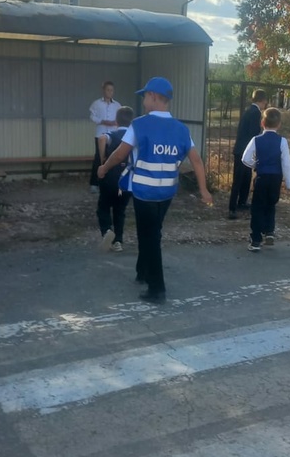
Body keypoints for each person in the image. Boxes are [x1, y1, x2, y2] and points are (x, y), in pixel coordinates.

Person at [98, 76, 212, 303]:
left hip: (144, 192)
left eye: (144, 97)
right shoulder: (181, 129)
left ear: (153, 96)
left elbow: (120, 154)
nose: (143, 102)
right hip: (167, 192)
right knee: (152, 231)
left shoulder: (139, 124)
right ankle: (142, 271)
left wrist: (104, 167)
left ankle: (157, 289)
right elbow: (197, 161)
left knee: (149, 236)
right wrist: (204, 190)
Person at [241, 106, 290, 252]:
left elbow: (245, 158)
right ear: (279, 124)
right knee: (271, 204)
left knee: (257, 207)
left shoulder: (256, 140)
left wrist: (256, 164)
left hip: (262, 177)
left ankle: (256, 240)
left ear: (262, 123)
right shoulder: (282, 141)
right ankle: (269, 231)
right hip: (276, 178)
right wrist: (289, 183)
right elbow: (286, 163)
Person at [96, 106, 134, 252]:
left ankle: (107, 230)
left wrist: (102, 160)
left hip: (110, 177)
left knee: (103, 207)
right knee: (120, 210)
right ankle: (118, 241)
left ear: (116, 121)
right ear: (131, 122)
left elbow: (102, 139)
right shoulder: (133, 137)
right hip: (127, 180)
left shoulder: (113, 134)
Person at [228, 89, 268, 219]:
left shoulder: (249, 110)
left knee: (245, 177)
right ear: (262, 100)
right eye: (265, 101)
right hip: (244, 150)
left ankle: (241, 202)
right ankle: (232, 208)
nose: (265, 104)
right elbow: (253, 133)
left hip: (241, 149)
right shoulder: (255, 113)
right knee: (239, 179)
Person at [88, 81, 122, 192]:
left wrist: (115, 123)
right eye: (108, 90)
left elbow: (120, 118)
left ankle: (110, 182)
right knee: (99, 158)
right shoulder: (96, 104)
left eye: (112, 90)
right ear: (103, 90)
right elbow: (92, 117)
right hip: (100, 134)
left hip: (113, 135)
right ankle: (94, 183)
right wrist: (102, 121)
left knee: (112, 157)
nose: (110, 92)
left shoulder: (117, 105)